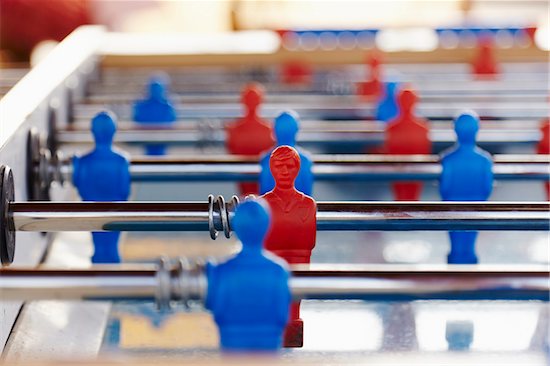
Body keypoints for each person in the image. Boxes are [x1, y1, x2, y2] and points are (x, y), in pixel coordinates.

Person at [206, 199, 291, 351]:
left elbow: (218, 309)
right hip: (268, 341)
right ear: (267, 226)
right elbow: (281, 315)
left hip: (232, 340)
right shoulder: (278, 271)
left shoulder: (222, 271)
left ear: (237, 226)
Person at [261, 145, 317, 347]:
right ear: (271, 169)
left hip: (297, 263)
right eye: (278, 166)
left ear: (298, 168)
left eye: (289, 166)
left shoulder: (308, 204)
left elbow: (307, 246)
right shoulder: (264, 203)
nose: (284, 172)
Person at [73, 111, 130, 263]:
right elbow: (125, 190)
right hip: (115, 209)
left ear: (92, 131)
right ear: (114, 131)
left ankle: (100, 266)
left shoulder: (83, 161)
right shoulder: (121, 161)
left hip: (93, 207)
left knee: (98, 240)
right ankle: (110, 268)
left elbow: (81, 187)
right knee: (111, 243)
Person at [439, 111, 493, 264]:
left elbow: (445, 187)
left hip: (452, 205)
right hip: (475, 204)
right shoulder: (484, 160)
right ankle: (468, 261)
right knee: (470, 237)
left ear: (455, 131)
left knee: (455, 237)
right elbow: (486, 187)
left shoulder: (448, 159)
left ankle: (456, 260)